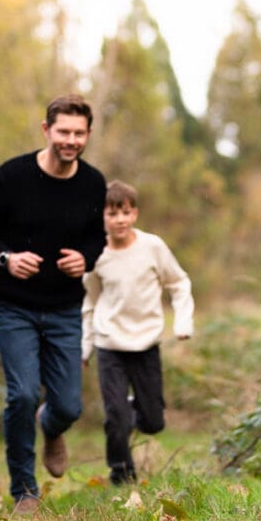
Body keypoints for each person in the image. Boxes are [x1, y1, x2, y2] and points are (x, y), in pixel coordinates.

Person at [0, 94, 106, 515]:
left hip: (64, 309)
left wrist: (85, 259)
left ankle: (50, 426)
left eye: (79, 133)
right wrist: (8, 259)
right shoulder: (11, 176)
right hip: (13, 305)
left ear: (88, 134)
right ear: (46, 130)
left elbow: (97, 237)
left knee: (69, 405)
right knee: (20, 394)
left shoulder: (93, 183)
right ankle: (25, 490)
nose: (70, 140)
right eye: (63, 131)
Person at [82, 179, 194, 485]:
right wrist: (85, 347)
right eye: (112, 214)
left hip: (146, 344)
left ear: (135, 214)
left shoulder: (152, 247)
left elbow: (179, 283)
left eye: (126, 212)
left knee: (153, 422)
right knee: (114, 417)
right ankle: (121, 472)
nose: (119, 220)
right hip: (110, 344)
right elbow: (89, 303)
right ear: (101, 216)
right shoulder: (96, 254)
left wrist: (183, 322)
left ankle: (131, 411)